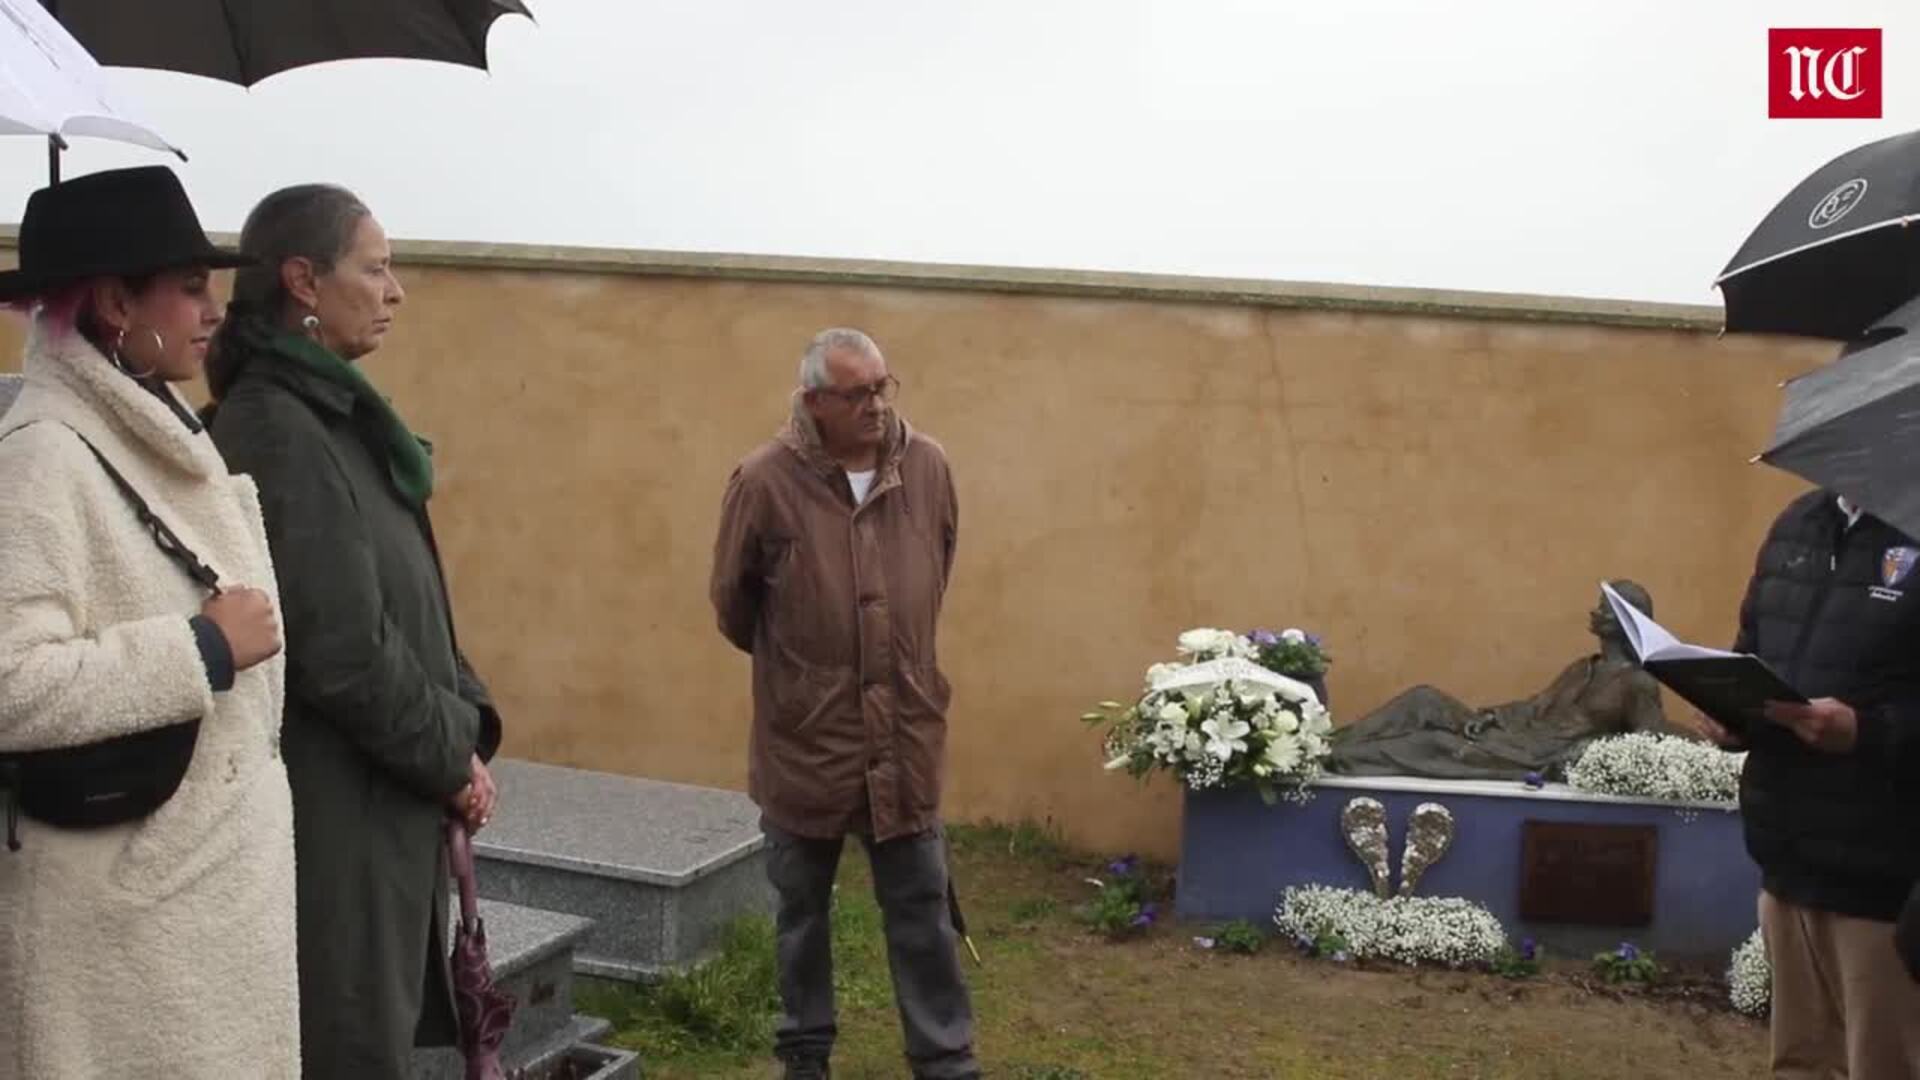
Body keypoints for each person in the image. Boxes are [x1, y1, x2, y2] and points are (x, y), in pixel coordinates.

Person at [203, 183, 503, 1079]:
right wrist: (451, 752)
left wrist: (467, 719)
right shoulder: (277, 428)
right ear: (303, 281)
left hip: (383, 802)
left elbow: (411, 603)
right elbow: (339, 647)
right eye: (374, 269)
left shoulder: (336, 415)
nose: (394, 291)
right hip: (338, 820)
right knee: (345, 1048)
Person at [0, 166, 295, 1078]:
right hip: (125, 934)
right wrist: (200, 649)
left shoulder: (151, 437)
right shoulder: (45, 456)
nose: (214, 310)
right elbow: (11, 682)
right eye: (191, 287)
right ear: (117, 303)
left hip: (189, 913)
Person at [710, 328, 978, 1080]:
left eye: (883, 387)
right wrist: (810, 673)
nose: (877, 405)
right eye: (857, 393)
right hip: (807, 739)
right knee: (800, 913)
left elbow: (937, 569)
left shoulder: (928, 467)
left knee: (922, 907)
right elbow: (734, 606)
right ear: (814, 401)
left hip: (906, 735)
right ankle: (804, 1055)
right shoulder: (763, 481)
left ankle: (946, 1059)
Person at [1693, 490, 1920, 1078]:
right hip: (1786, 863)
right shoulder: (1799, 522)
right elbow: (1753, 652)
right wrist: (1732, 716)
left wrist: (1865, 732)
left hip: (1885, 883)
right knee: (1799, 1064)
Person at [1327, 580, 1677, 779]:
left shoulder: (1637, 683)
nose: (1594, 612)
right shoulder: (1583, 667)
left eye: (1603, 608)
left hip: (1532, 758)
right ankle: (1326, 745)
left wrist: (1582, 752)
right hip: (1513, 735)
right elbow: (1537, 704)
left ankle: (1339, 758)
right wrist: (1493, 716)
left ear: (1624, 620)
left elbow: (1650, 741)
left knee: (1432, 743)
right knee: (1425, 698)